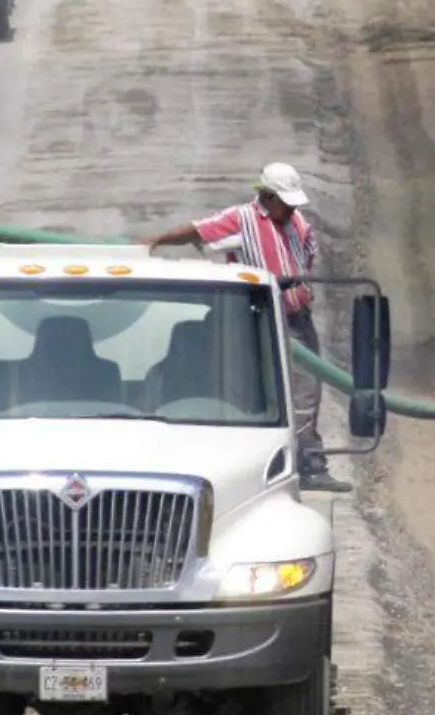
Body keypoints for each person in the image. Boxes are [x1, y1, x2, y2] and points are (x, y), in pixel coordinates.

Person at [142, 163, 351, 494]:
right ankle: (264, 466)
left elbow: (307, 256)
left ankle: (310, 463)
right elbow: (197, 230)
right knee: (258, 394)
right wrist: (154, 242)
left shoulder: (298, 222)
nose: (292, 208)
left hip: (298, 318)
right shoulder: (241, 219)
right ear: (267, 197)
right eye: (286, 202)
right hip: (261, 321)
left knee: (307, 392)